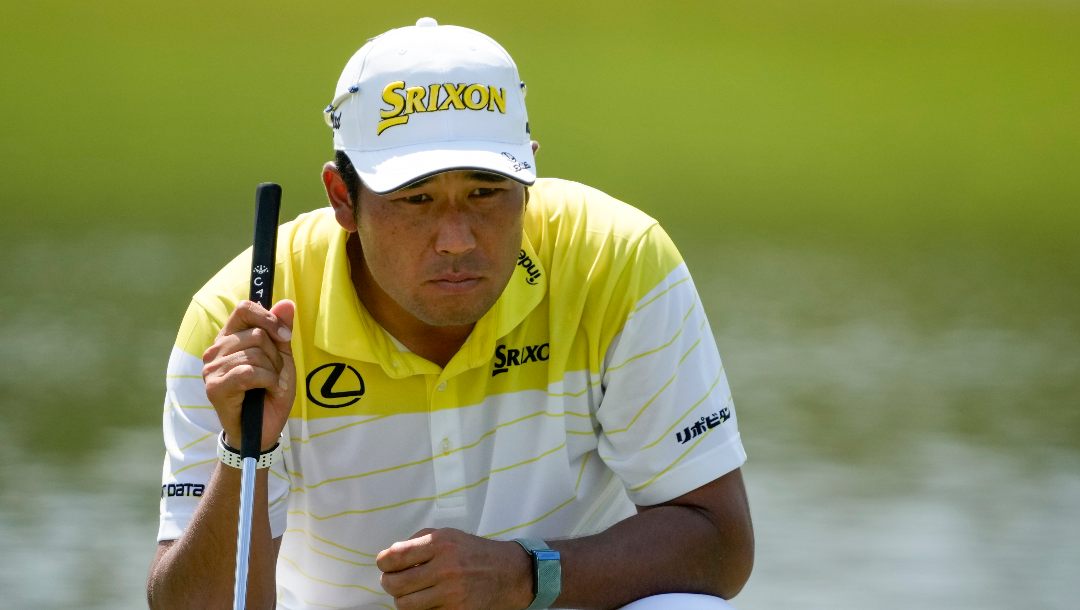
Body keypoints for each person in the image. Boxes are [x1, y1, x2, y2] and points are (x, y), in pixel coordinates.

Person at [147, 17, 753, 610]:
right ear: (342, 198)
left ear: (529, 175)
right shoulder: (240, 319)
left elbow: (720, 543)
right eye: (416, 199)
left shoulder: (614, 260)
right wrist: (244, 448)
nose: (457, 238)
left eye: (486, 192)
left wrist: (526, 575)